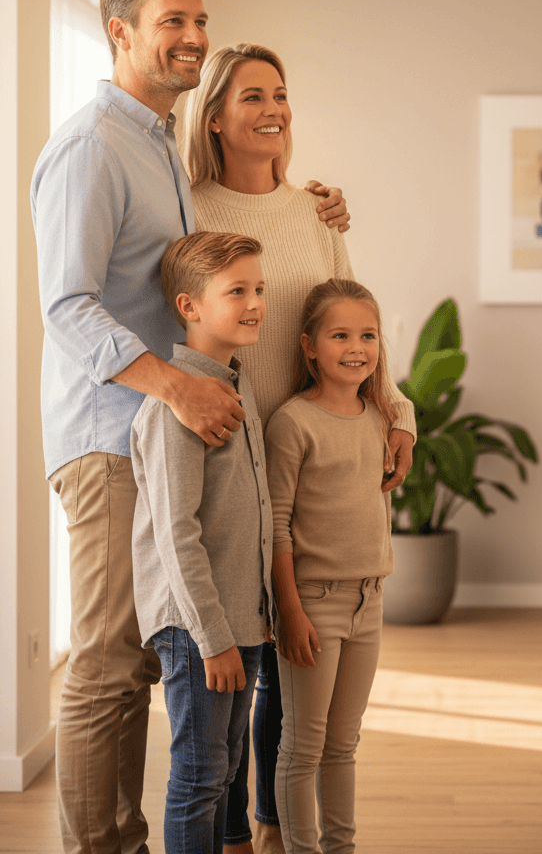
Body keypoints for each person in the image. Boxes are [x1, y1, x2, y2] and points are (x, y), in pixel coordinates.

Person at [30, 0, 348, 854]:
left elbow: (213, 260)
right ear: (121, 32)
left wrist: (314, 202)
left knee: (153, 655)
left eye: (199, 21)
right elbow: (65, 305)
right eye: (172, 22)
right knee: (109, 663)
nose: (194, 38)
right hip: (110, 437)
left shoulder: (158, 144)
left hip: (165, 434)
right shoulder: (92, 145)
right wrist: (173, 386)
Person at [181, 42, 415, 854]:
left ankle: (280, 832)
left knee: (296, 662)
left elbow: (347, 313)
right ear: (214, 117)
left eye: (280, 93)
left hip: (315, 456)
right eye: (252, 96)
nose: (272, 108)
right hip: (228, 460)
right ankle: (234, 832)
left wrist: (398, 412)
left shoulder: (316, 212)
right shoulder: (189, 204)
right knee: (244, 656)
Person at [132, 231, 274, 852]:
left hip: (238, 621)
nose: (256, 303)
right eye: (237, 290)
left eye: (259, 289)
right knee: (198, 778)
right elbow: (175, 533)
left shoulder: (237, 391)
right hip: (198, 631)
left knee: (225, 774)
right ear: (189, 306)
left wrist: (256, 619)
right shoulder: (177, 407)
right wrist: (213, 640)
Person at [267, 278, 397, 854]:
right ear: (309, 346)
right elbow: (276, 525)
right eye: (340, 334)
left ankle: (341, 848)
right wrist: (289, 609)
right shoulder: (293, 423)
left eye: (367, 335)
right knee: (303, 744)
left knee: (344, 743)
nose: (356, 347)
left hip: (371, 599)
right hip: (314, 602)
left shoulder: (380, 417)